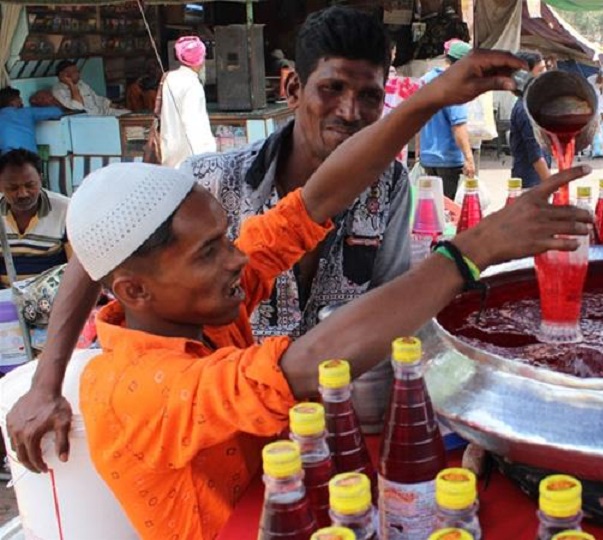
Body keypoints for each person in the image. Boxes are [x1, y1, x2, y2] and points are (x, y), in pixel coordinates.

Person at [66, 49, 590, 539]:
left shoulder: (193, 307)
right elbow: (309, 362)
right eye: (208, 252)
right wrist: (472, 249)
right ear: (134, 290)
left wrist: (430, 99)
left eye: (226, 239)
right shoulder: (137, 388)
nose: (237, 258)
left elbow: (317, 199)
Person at [4, 7, 414, 472]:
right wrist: (45, 383)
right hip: (228, 433)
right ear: (293, 89)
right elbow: (100, 245)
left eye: (369, 97)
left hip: (345, 425)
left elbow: (389, 303)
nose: (350, 112)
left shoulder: (388, 185)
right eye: (332, 88)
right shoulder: (209, 181)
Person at [0, 150, 71, 286]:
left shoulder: (66, 210)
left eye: (30, 185)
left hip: (53, 296)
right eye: (13, 188)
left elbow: (77, 269)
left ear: (41, 179)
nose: (23, 194)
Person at [419, 38, 476, 198]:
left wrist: (419, 151)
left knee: (431, 208)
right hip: (448, 159)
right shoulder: (455, 86)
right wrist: (469, 158)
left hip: (428, 157)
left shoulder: (426, 80)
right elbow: (458, 126)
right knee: (446, 212)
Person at [160, 36, 217, 168]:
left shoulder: (170, 78)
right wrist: (203, 158)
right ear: (200, 60)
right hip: (190, 158)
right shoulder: (192, 84)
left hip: (170, 153)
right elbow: (193, 124)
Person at [509, 50, 551, 189]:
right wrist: (553, 187)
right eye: (540, 70)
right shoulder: (526, 110)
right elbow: (536, 156)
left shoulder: (533, 105)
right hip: (530, 185)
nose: (545, 75)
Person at [0, 87, 63, 155]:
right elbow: (57, 112)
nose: (21, 100)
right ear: (12, 102)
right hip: (29, 157)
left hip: (7, 158)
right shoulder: (27, 112)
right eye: (18, 98)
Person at [51, 60, 124, 115]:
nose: (78, 74)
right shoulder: (59, 90)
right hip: (90, 118)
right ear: (63, 75)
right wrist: (71, 85)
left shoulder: (81, 84)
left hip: (103, 112)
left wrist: (115, 105)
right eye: (74, 72)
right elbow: (78, 106)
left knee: (129, 114)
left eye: (77, 71)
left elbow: (96, 98)